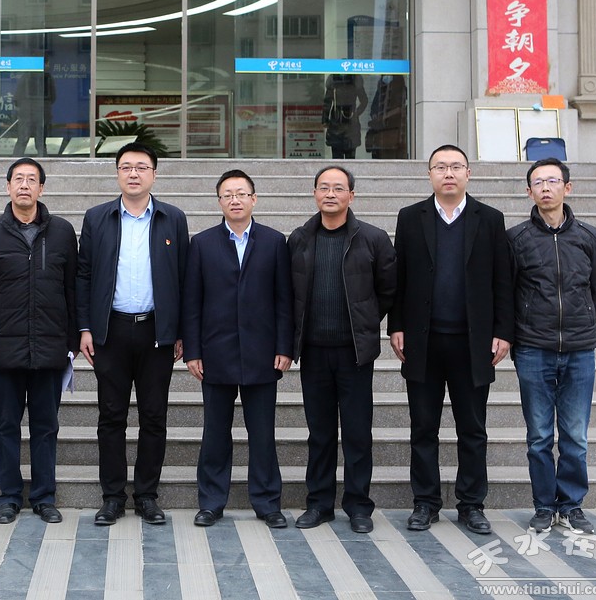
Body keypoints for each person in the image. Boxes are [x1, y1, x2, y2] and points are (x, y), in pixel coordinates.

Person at [388, 144, 514, 535]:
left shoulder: (489, 219)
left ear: (468, 173)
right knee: (423, 428)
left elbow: (502, 280)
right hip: (423, 341)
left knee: (472, 429)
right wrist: (396, 325)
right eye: (440, 167)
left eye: (456, 166)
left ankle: (471, 504)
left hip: (472, 343)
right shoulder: (411, 217)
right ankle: (425, 502)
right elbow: (399, 278)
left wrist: (503, 331)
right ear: (429, 174)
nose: (448, 173)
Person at [77, 142, 189, 526]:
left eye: (141, 167)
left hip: (157, 331)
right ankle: (112, 497)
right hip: (111, 331)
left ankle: (146, 496)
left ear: (154, 174)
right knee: (111, 416)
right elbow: (84, 275)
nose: (134, 173)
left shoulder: (173, 219)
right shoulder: (97, 218)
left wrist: (180, 331)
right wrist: (85, 327)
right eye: (126, 167)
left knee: (154, 416)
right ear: (117, 174)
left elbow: (184, 278)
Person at [0, 158, 78, 525]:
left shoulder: (62, 232)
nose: (24, 185)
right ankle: (9, 496)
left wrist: (73, 339)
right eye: (18, 179)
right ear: (8, 186)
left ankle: (45, 496)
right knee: (5, 426)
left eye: (32, 179)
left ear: (42, 188)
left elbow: (72, 289)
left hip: (49, 347)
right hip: (3, 348)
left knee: (46, 427)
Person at [287, 166, 396, 533]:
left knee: (357, 432)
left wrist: (365, 321)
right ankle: (319, 503)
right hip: (314, 351)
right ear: (314, 194)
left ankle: (358, 506)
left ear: (352, 195)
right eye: (323, 188)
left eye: (338, 188)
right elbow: (290, 291)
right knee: (319, 433)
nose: (330, 194)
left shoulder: (373, 238)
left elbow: (387, 290)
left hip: (354, 353)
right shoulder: (300, 239)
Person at [182, 169, 294, 529]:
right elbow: (192, 302)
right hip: (216, 354)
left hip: (263, 354)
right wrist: (193, 351)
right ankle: (211, 502)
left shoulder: (275, 242)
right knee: (215, 433)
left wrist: (285, 346)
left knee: (263, 434)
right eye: (227, 194)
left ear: (253, 199)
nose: (235, 200)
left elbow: (284, 300)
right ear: (219, 202)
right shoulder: (202, 243)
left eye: (241, 193)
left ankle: (267, 502)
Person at [508, 158, 596, 535]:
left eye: (552, 181)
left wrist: (580, 317)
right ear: (529, 191)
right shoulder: (516, 239)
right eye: (538, 182)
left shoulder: (589, 237)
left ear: (568, 187)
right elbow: (508, 291)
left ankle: (571, 505)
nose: (545, 188)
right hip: (533, 347)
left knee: (575, 435)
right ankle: (543, 506)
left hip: (580, 349)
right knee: (538, 436)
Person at [13, 63, 56, 156]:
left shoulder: (25, 77)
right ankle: (43, 162)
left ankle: (15, 161)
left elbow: (16, 98)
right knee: (40, 143)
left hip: (26, 113)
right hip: (42, 113)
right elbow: (53, 97)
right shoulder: (48, 77)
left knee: (22, 140)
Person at [322, 74, 368, 159]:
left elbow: (364, 101)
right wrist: (325, 119)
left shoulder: (355, 79)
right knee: (337, 157)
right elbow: (327, 102)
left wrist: (355, 114)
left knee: (349, 158)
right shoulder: (334, 79)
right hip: (336, 123)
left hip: (350, 124)